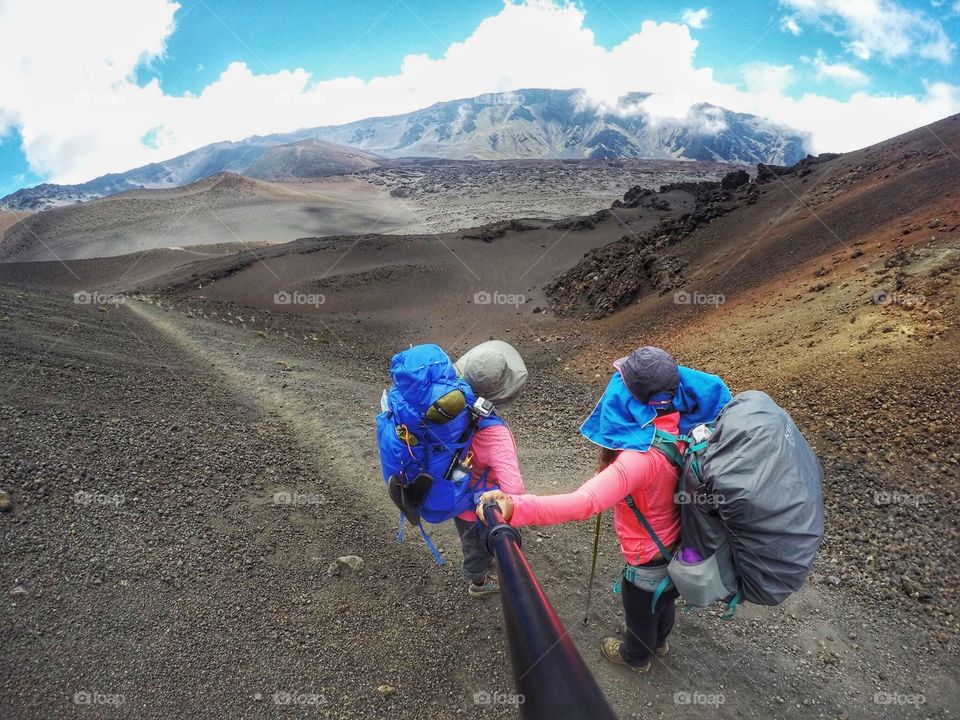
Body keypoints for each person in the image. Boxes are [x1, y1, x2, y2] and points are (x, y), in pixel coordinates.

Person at [479, 346, 730, 671]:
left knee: (640, 607)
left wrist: (514, 506)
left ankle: (636, 656)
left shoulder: (638, 459)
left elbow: (585, 503)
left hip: (646, 555)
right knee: (666, 597)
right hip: (682, 545)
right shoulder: (685, 426)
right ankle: (659, 641)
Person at [452, 341, 528, 597]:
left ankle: (485, 561)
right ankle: (479, 582)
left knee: (470, 539)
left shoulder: (454, 412)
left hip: (458, 490)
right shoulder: (494, 434)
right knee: (474, 547)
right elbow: (514, 489)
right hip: (481, 506)